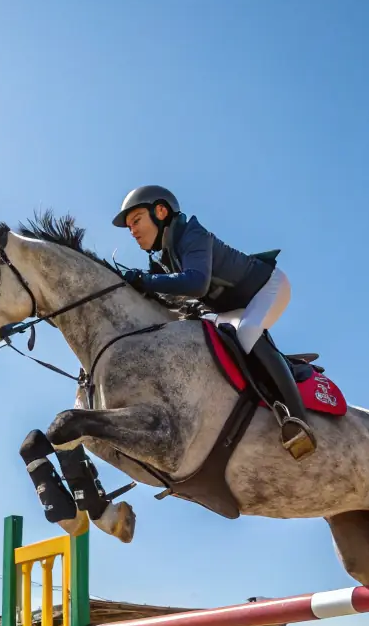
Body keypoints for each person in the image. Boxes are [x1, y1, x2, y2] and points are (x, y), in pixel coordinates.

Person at [112, 185, 315, 458]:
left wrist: (146, 281)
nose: (133, 231)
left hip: (267, 287)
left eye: (136, 221)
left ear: (160, 211)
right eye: (129, 227)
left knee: (249, 330)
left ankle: (300, 421)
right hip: (232, 308)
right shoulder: (166, 257)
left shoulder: (191, 234)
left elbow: (196, 283)